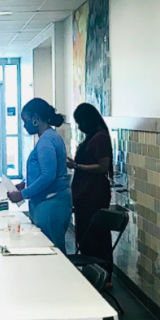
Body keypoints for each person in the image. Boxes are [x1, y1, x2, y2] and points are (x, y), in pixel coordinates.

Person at [7, 98, 72, 252]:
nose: (24, 125)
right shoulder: (51, 136)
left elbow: (48, 175)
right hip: (52, 201)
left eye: (26, 120)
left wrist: (23, 194)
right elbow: (45, 169)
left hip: (50, 203)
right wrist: (26, 183)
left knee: (51, 249)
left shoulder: (46, 141)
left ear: (36, 119)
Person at [68, 103, 114, 275]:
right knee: (85, 234)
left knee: (95, 235)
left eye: (80, 122)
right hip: (85, 194)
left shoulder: (100, 138)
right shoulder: (92, 137)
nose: (79, 127)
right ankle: (91, 272)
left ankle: (102, 273)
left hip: (94, 194)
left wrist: (77, 165)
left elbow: (103, 167)